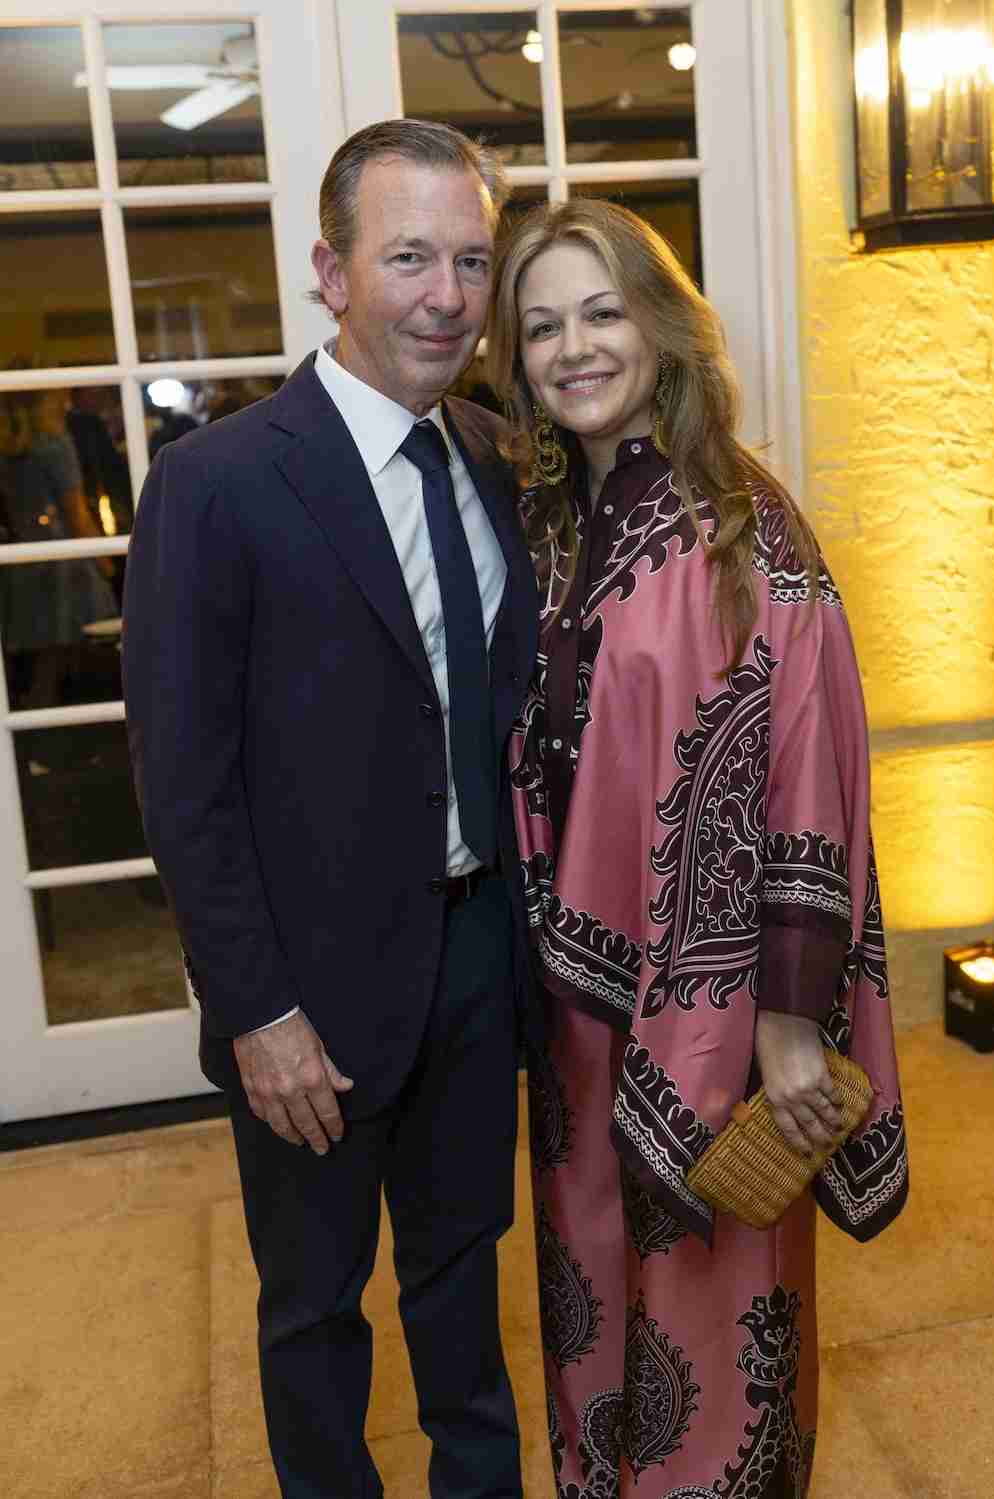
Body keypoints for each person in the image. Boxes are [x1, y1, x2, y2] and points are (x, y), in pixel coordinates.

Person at [122, 120, 541, 1499]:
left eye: (470, 261)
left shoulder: (499, 456)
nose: (447, 296)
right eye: (408, 257)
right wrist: (256, 1009)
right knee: (313, 1310)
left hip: (479, 956)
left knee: (464, 1278)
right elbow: (183, 779)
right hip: (305, 993)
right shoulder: (218, 480)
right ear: (330, 271)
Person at [485, 199, 909, 1498]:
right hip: (576, 1014)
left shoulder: (746, 525)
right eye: (542, 325)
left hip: (715, 1021)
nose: (573, 349)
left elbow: (810, 777)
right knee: (590, 1293)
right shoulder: (551, 520)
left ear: (662, 326)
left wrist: (788, 1017)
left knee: (716, 1323)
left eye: (601, 312)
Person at [0, 386, 118, 710]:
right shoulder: (54, 444)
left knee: (43, 658)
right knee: (66, 651)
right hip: (62, 556)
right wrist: (108, 564)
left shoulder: (9, 446)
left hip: (23, 552)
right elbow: (75, 513)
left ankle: (37, 723)